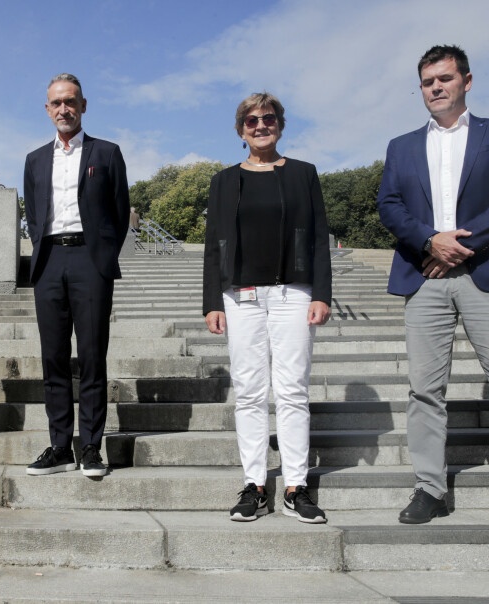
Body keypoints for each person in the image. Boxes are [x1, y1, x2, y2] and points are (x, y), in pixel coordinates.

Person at [376, 45, 489, 532]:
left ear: (467, 81)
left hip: (487, 271)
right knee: (424, 390)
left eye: (445, 78)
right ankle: (430, 486)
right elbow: (389, 205)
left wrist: (460, 243)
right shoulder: (401, 145)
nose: (436, 87)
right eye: (428, 81)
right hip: (425, 274)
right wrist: (430, 241)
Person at [202, 93, 332, 522]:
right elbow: (212, 246)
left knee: (292, 388)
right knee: (251, 392)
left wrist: (321, 293)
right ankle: (254, 485)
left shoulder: (303, 174)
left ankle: (296, 486)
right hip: (242, 297)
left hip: (292, 292)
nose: (261, 125)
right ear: (241, 129)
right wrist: (211, 301)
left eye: (269, 118)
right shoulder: (223, 181)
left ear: (280, 124)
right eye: (251, 120)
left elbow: (317, 238)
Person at [23, 73, 130, 477]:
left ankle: (90, 446)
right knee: (52, 357)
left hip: (90, 259)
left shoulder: (107, 153)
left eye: (71, 101)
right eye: (56, 103)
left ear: (83, 106)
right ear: (47, 109)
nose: (64, 109)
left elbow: (120, 212)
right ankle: (59, 446)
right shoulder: (35, 159)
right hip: (49, 259)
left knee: (90, 356)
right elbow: (34, 215)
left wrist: (101, 257)